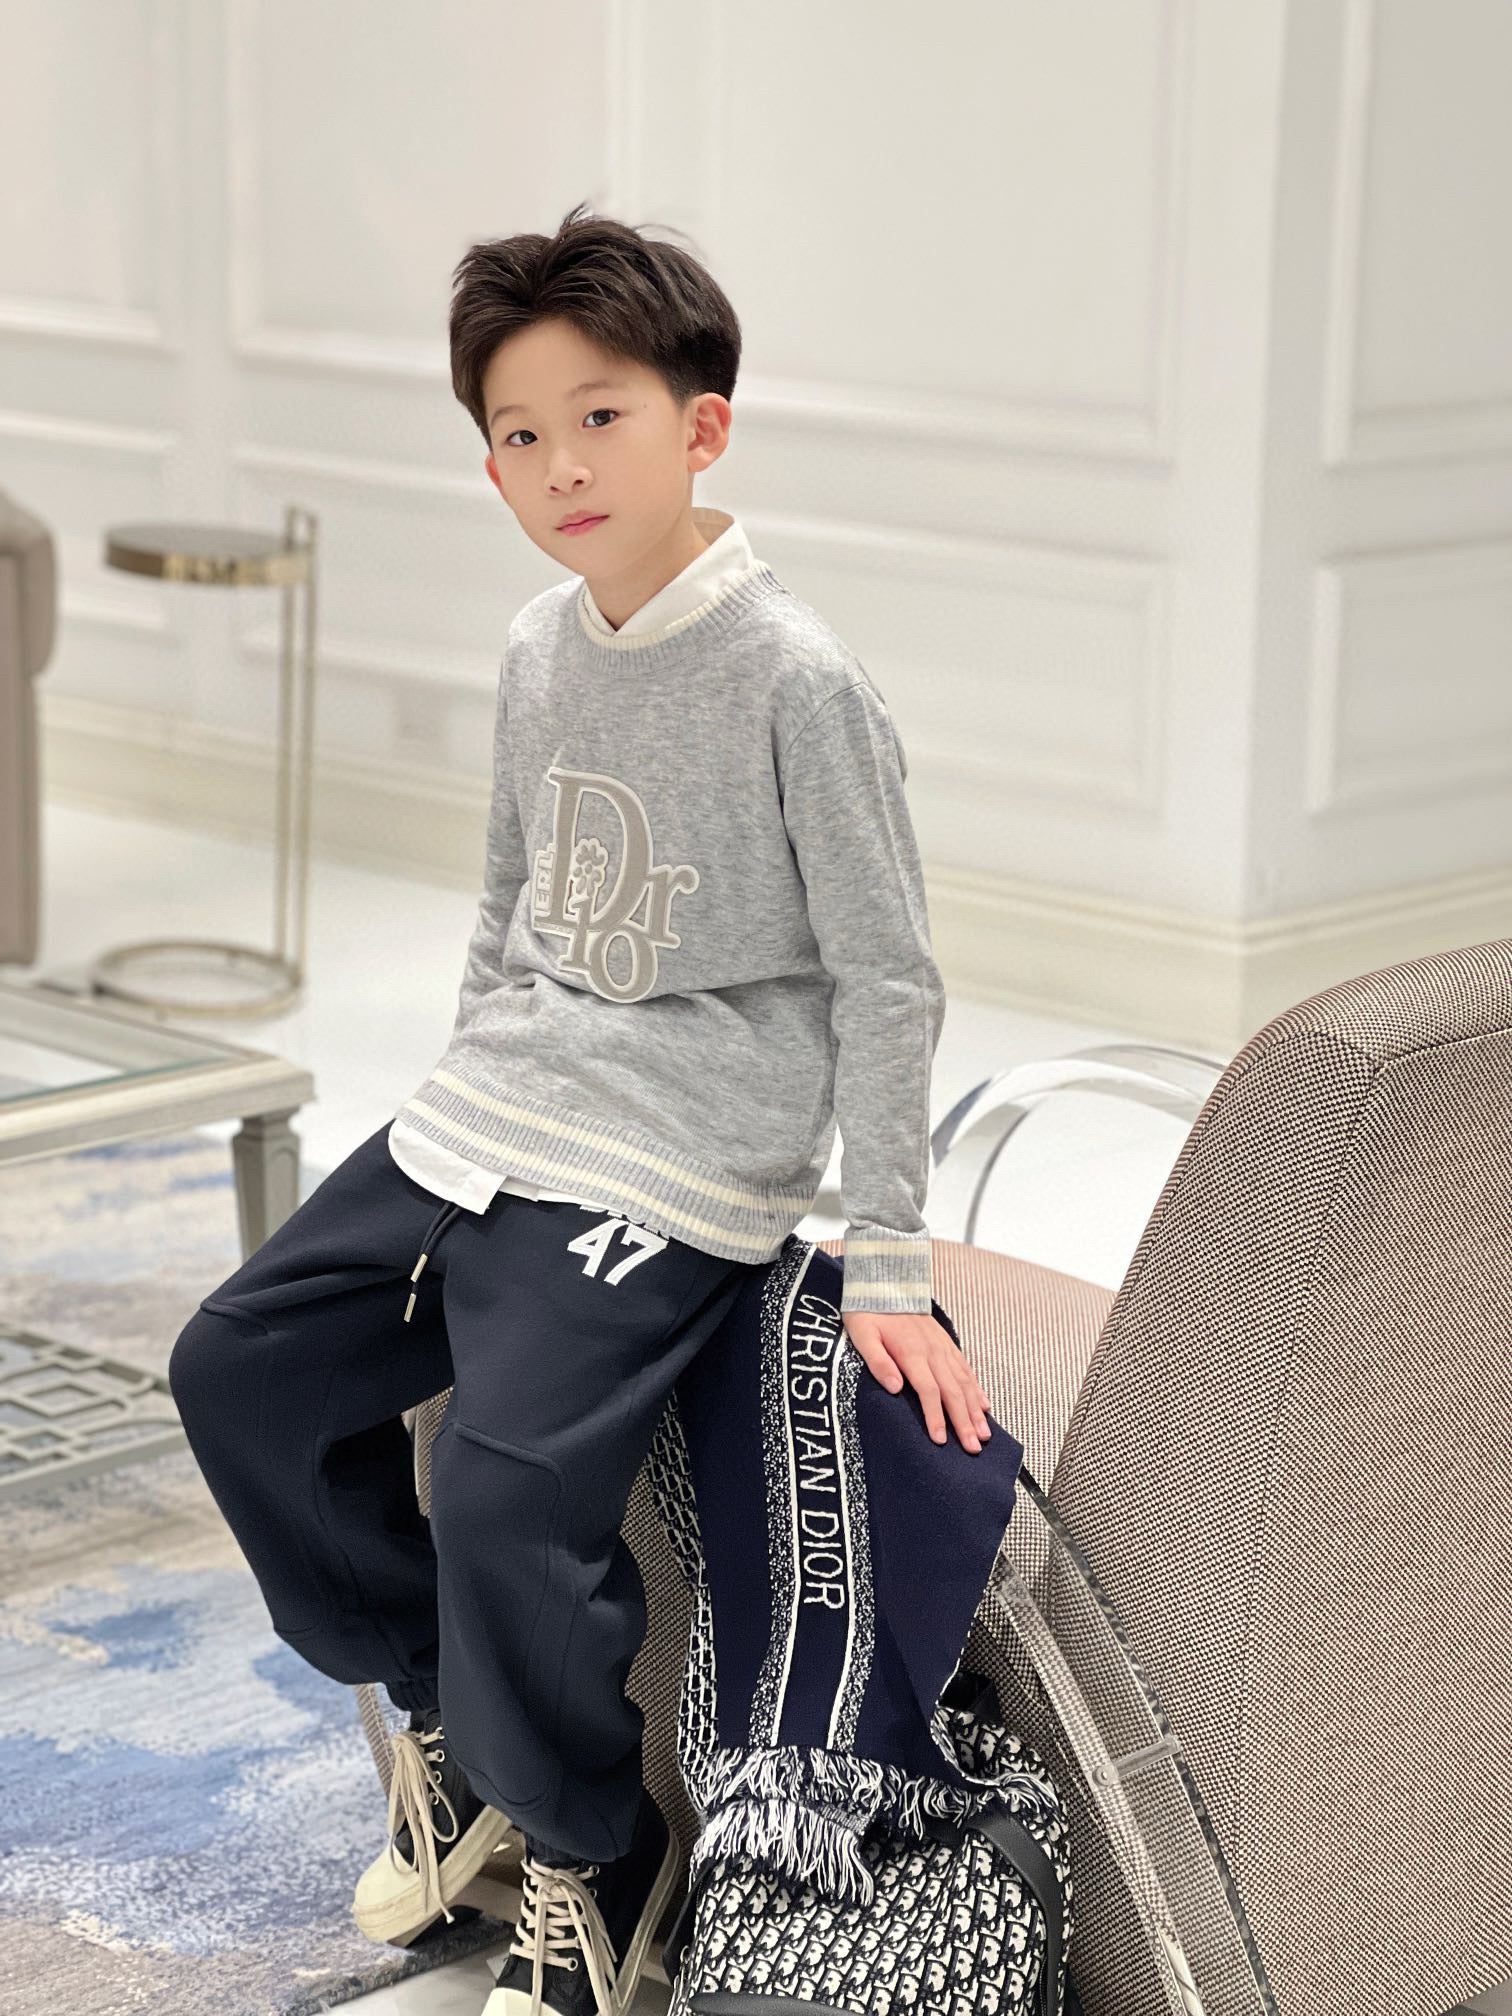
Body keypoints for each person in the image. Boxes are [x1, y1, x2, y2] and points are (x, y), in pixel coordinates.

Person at [168, 199, 994, 2016]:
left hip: (683, 1150)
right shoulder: (541, 644)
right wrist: (469, 1078)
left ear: (703, 425)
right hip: (503, 1111)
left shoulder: (799, 680)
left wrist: (887, 1258)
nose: (558, 465)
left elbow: (888, 978)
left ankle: (593, 1854)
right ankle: (454, 1731)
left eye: (599, 417)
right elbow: (507, 904)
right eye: (518, 434)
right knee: (235, 1369)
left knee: (505, 1486)